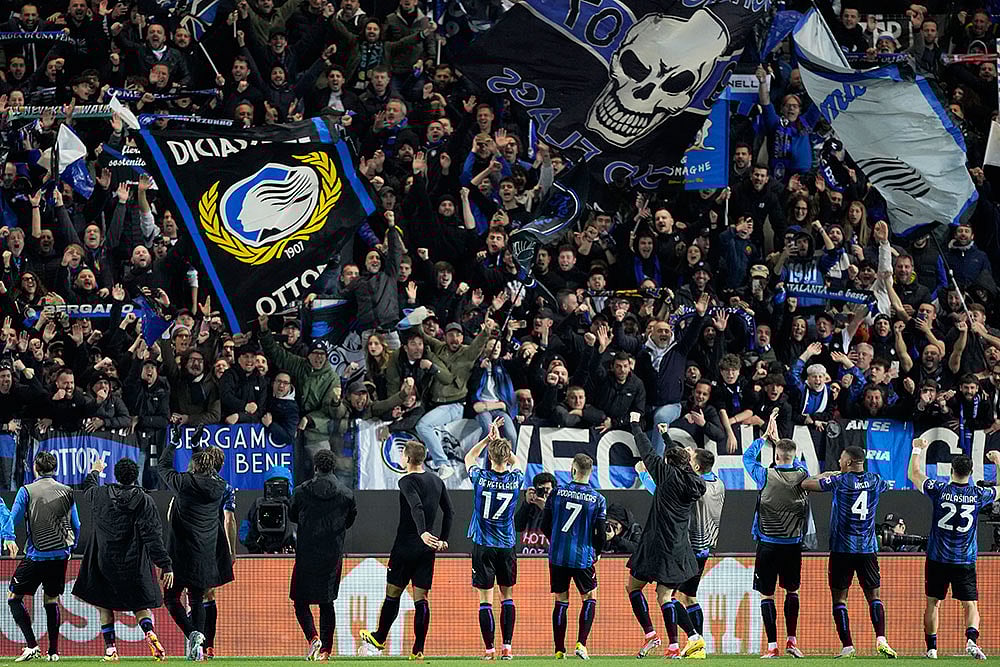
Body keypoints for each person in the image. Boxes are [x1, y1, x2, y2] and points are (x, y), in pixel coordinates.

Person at [71, 457, 171, 662]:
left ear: (116, 475)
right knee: (140, 606)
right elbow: (153, 536)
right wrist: (165, 564)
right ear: (136, 476)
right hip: (133, 562)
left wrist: (96, 470)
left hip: (104, 561)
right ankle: (149, 633)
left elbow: (88, 486)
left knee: (104, 606)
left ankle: (110, 649)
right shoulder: (144, 500)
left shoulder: (99, 494)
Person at [361, 440, 453, 660]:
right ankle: (418, 650)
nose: (401, 458)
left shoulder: (406, 481)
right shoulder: (437, 480)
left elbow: (416, 506)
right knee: (421, 599)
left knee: (393, 594)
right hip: (428, 549)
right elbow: (449, 513)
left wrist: (421, 532)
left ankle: (380, 637)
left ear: (408, 459)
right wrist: (443, 540)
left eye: (402, 454)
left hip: (405, 547)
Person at [802, 446, 897, 658]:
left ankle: (847, 646)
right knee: (874, 596)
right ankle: (881, 639)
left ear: (847, 462)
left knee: (840, 599)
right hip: (867, 548)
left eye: (841, 459)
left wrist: (828, 475)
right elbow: (886, 486)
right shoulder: (875, 480)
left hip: (842, 548)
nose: (838, 461)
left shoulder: (839, 481)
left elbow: (805, 484)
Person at [625, 412, 706, 659]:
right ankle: (684, 641)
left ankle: (652, 634)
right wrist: (666, 436)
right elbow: (678, 459)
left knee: (633, 587)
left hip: (655, 545)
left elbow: (646, 451)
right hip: (679, 547)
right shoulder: (695, 481)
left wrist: (635, 424)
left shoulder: (665, 474)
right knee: (665, 595)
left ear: (667, 462)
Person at [909, 440, 998, 660]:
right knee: (970, 604)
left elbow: (914, 474)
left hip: (937, 557)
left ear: (951, 470)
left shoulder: (940, 490)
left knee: (933, 602)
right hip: (965, 559)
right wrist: (998, 461)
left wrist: (917, 449)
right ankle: (971, 640)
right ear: (971, 471)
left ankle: (931, 649)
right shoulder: (978, 494)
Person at [743, 409, 809, 658]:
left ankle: (772, 646)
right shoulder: (802, 475)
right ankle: (792, 641)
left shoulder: (765, 475)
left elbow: (747, 459)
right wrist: (778, 439)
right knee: (792, 591)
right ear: (793, 455)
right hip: (792, 545)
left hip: (768, 544)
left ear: (775, 455)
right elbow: (791, 459)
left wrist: (764, 438)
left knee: (766, 594)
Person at [4, 452, 80, 662]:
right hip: (60, 556)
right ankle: (53, 652)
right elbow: (77, 525)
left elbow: (13, 518)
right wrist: (71, 547)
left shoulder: (26, 490)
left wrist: (9, 537)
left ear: (35, 468)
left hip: (37, 555)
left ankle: (32, 646)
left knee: (13, 599)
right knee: (51, 599)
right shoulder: (67, 491)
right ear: (55, 469)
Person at [157, 441, 227, 661]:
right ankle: (198, 649)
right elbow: (209, 471)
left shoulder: (184, 483)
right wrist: (198, 446)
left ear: (194, 467)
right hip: (204, 553)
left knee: (170, 597)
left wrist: (172, 444)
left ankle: (192, 634)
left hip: (180, 553)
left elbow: (163, 467)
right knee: (197, 599)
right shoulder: (220, 486)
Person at [464, 417, 524, 660]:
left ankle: (489, 650)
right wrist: (499, 442)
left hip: (483, 545)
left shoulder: (480, 478)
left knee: (485, 600)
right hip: (506, 545)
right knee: (507, 597)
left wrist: (487, 441)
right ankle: (507, 647)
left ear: (489, 456)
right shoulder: (516, 480)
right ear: (506, 455)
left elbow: (468, 458)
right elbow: (516, 461)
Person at [290, 449, 358, 662]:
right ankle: (326, 651)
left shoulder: (301, 491)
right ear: (333, 467)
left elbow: (292, 514)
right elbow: (350, 520)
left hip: (306, 554)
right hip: (332, 555)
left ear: (315, 467)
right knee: (327, 603)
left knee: (300, 601)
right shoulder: (346, 494)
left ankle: (313, 637)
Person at [541, 453, 606, 659]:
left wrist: (555, 542)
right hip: (582, 557)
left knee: (561, 600)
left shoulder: (557, 492)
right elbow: (601, 533)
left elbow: (544, 525)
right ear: (590, 472)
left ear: (573, 469)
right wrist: (597, 551)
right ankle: (582, 644)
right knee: (590, 597)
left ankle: (559, 650)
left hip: (558, 556)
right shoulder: (598, 499)